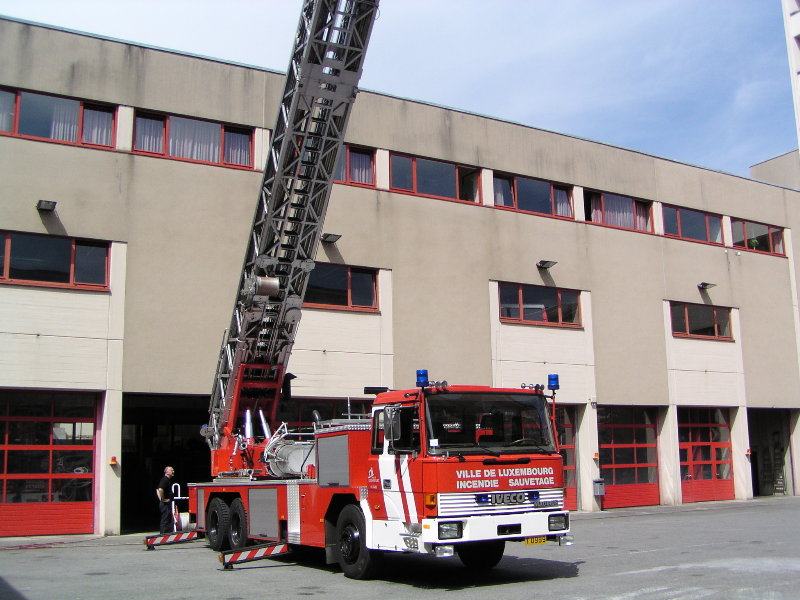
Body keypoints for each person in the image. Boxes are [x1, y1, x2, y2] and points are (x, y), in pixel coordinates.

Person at [155, 466, 175, 534]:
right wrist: (163, 499)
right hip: (165, 504)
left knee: (169, 519)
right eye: (171, 470)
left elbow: (157, 489)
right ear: (167, 472)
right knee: (165, 520)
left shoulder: (167, 480)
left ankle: (167, 535)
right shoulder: (165, 479)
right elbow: (160, 489)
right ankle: (163, 535)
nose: (173, 471)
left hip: (167, 503)